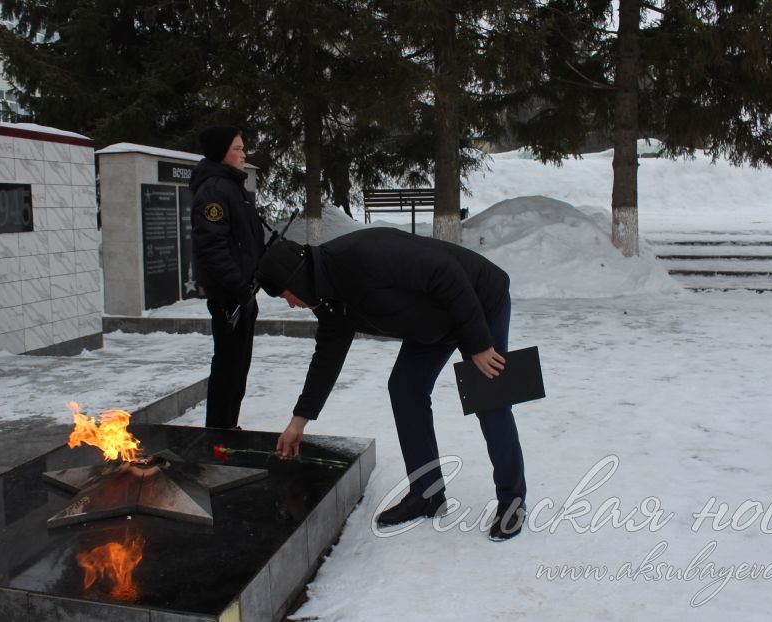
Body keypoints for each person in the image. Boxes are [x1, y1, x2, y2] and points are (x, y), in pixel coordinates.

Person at [255, 228, 528, 541]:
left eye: (286, 295)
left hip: (476, 299)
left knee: (490, 398)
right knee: (405, 389)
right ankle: (427, 493)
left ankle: (512, 501)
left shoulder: (362, 254)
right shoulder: (329, 300)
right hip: (432, 323)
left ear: (297, 277)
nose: (290, 304)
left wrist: (479, 343)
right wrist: (298, 420)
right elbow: (326, 359)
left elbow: (446, 272)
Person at [190, 125, 265, 429]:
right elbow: (212, 246)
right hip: (229, 297)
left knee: (238, 367)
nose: (243, 153)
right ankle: (218, 433)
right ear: (221, 153)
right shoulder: (214, 189)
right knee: (227, 367)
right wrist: (236, 287)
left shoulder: (232, 186)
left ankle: (228, 428)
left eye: (242, 147)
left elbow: (242, 240)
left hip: (243, 293)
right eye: (237, 148)